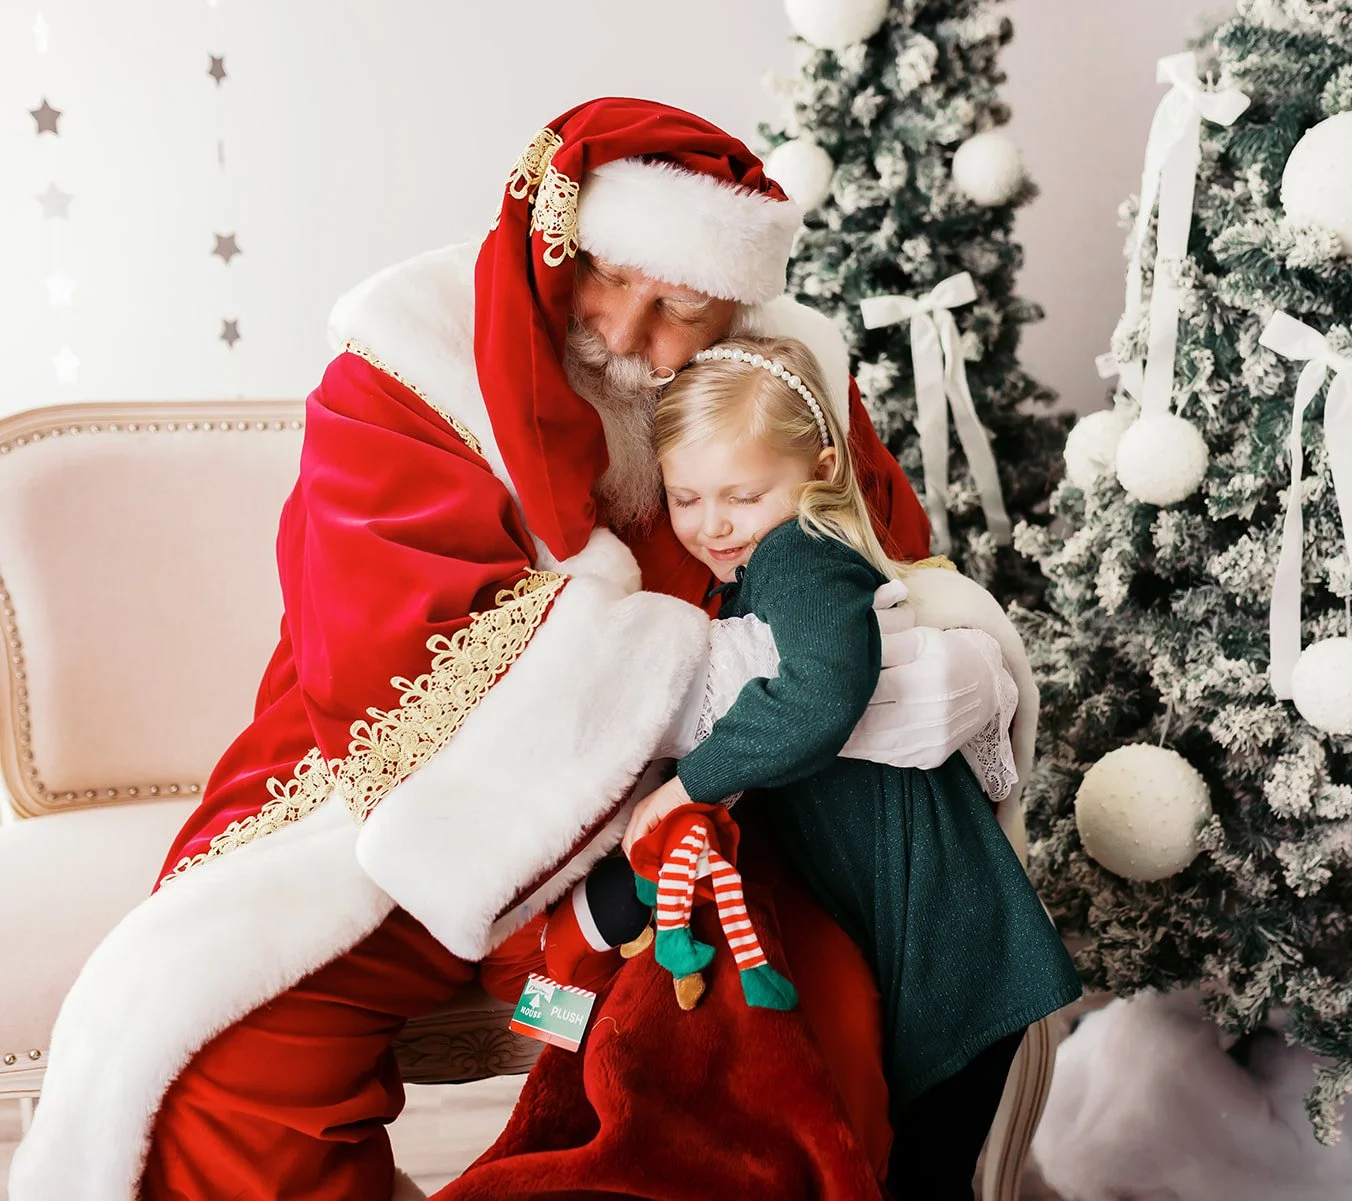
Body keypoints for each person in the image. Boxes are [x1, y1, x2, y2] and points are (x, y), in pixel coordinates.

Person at [9, 97, 1018, 1201]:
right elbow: (389, 659)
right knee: (216, 1055)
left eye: (680, 308)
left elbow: (886, 558)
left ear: (734, 305)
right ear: (555, 243)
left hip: (704, 814)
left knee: (779, 1047)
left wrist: (961, 655)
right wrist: (729, 679)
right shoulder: (403, 371)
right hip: (414, 800)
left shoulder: (775, 382)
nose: (629, 335)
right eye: (605, 278)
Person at [617, 335, 1081, 1201]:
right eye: (686, 498)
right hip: (942, 942)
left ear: (822, 468)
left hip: (957, 949)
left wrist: (689, 783)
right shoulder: (758, 567)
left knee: (925, 1177)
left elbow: (825, 689)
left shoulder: (798, 553)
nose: (711, 523)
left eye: (741, 495)